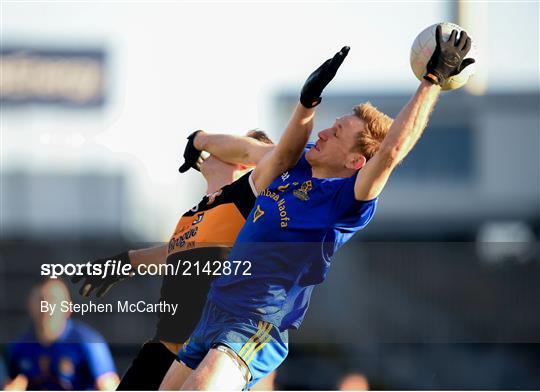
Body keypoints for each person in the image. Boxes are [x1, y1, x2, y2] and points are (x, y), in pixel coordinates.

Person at [160, 27, 475, 390]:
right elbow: (247, 151)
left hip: (255, 324)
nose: (324, 133)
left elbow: (390, 153)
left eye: (337, 132)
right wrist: (199, 140)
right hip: (214, 312)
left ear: (356, 160)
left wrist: (432, 80)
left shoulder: (344, 202)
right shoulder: (297, 164)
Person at [72, 130, 275, 390]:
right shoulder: (195, 212)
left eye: (228, 146)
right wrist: (127, 260)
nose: (213, 150)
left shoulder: (248, 198)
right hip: (164, 349)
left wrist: (201, 137)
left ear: (245, 162)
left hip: (204, 354)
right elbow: (174, 252)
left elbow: (274, 155)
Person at [5, 279, 119, 390]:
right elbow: (11, 384)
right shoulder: (19, 347)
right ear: (30, 305)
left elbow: (108, 385)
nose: (46, 307)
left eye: (53, 300)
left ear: (68, 307)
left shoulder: (88, 342)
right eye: (41, 300)